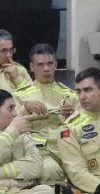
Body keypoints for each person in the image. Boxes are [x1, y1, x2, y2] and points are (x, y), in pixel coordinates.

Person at [13, 43, 75, 184]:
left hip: (67, 148)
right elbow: (10, 128)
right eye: (40, 64)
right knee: (49, 169)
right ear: (32, 67)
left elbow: (83, 126)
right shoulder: (19, 96)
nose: (46, 69)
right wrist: (25, 108)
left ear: (56, 65)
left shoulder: (70, 95)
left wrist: (71, 118)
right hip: (38, 151)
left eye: (49, 63)